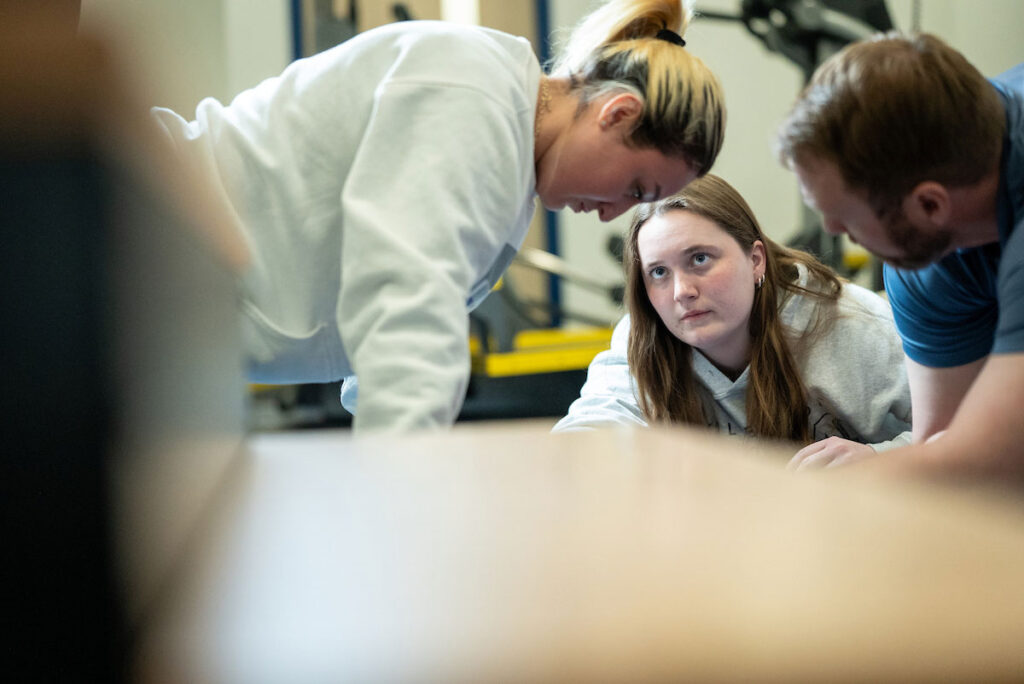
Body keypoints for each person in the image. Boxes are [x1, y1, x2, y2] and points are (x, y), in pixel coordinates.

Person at [150, 0, 725, 433]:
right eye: (632, 186)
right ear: (616, 114)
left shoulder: (507, 165)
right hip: (143, 226)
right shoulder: (474, 94)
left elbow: (385, 342)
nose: (610, 215)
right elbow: (407, 295)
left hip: (170, 304)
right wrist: (405, 489)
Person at [777, 32, 1024, 481]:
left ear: (929, 205)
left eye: (846, 222)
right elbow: (944, 456)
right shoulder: (925, 264)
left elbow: (994, 456)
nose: (834, 234)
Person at [553, 174, 912, 457]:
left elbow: (959, 439)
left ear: (755, 260)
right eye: (659, 272)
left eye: (699, 259)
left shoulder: (852, 324)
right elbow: (595, 420)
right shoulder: (644, 335)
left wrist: (878, 459)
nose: (682, 292)